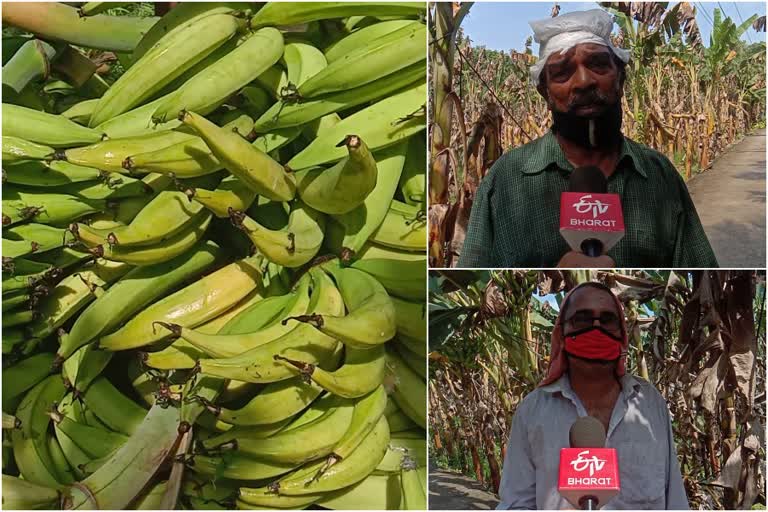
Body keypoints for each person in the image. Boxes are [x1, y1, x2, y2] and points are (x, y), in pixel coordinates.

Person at [458, 9, 717, 268]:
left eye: (598, 64)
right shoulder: (506, 179)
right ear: (545, 93)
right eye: (562, 72)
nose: (583, 81)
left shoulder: (660, 176)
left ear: (621, 79)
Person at [496, 282, 689, 510]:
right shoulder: (533, 411)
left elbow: (674, 497)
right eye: (583, 319)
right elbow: (517, 503)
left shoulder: (649, 403)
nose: (596, 329)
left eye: (607, 320)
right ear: (562, 333)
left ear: (621, 334)